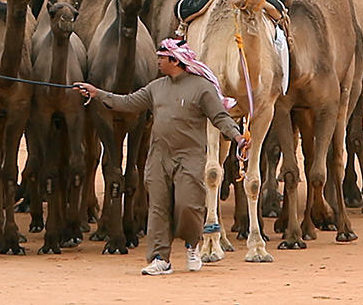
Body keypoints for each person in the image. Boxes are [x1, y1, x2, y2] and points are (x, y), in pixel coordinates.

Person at [74, 38, 248, 276]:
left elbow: (220, 117)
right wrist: (97, 94)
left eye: (161, 58)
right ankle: (159, 258)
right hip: (159, 157)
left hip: (190, 157)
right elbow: (127, 102)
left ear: (175, 60)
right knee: (158, 208)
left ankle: (192, 245)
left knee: (188, 206)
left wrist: (238, 137)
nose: (157, 61)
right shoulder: (156, 87)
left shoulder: (201, 87)